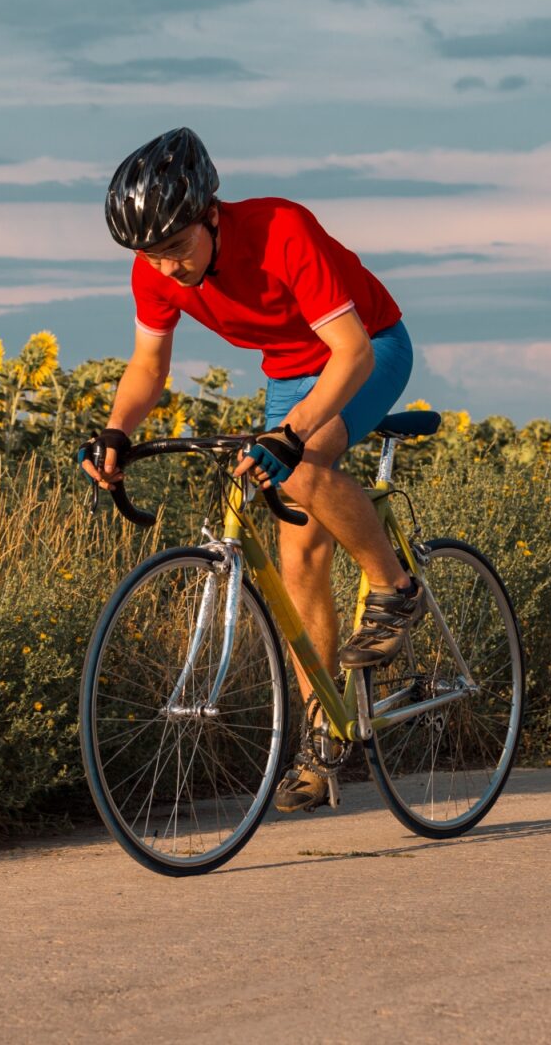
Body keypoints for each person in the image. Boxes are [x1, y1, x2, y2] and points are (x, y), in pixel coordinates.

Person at [79, 127, 422, 813]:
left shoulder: (281, 231)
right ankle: (324, 743)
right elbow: (149, 367)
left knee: (299, 467)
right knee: (298, 560)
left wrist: (292, 436)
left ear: (211, 214)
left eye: (179, 249)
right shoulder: (154, 269)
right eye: (153, 255)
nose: (170, 269)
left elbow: (350, 352)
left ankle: (395, 588)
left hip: (366, 348)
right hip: (291, 372)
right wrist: (119, 431)